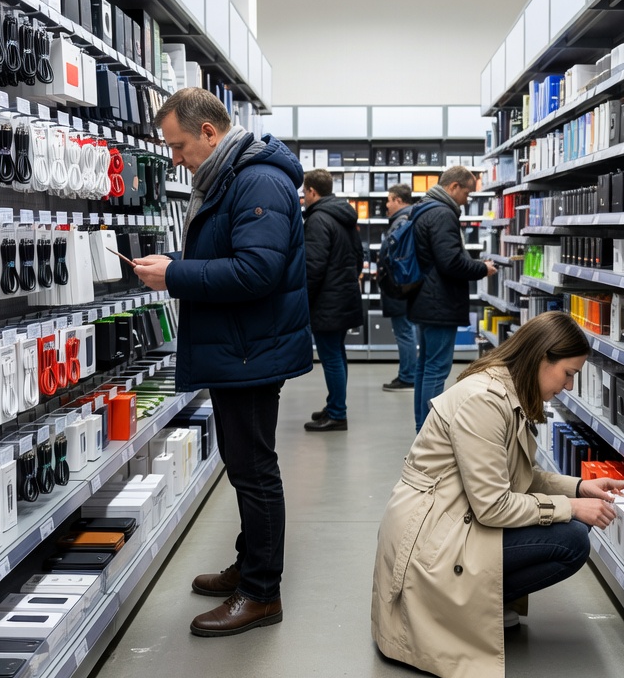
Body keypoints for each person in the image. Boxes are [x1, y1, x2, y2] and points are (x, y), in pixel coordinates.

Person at [133, 87, 312, 637]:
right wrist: (181, 265)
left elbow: (257, 271)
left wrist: (176, 274)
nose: (175, 159)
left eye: (180, 145)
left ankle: (261, 593)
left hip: (251, 349)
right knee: (242, 463)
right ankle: (249, 566)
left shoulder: (257, 180)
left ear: (209, 133)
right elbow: (234, 256)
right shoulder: (232, 175)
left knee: (254, 469)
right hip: (241, 344)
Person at [370, 311, 624, 678]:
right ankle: (464, 608)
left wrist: (578, 487)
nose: (570, 387)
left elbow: (515, 475)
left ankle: (481, 601)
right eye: (569, 373)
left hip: (449, 523)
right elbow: (494, 505)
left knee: (571, 527)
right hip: (431, 543)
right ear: (543, 357)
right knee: (571, 539)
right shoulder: (484, 402)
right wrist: (571, 507)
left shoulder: (507, 392)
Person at [407, 165, 496, 431]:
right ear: (454, 186)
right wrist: (482, 268)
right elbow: (450, 262)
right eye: (467, 193)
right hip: (439, 302)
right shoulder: (443, 214)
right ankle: (428, 431)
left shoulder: (423, 208)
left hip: (424, 298)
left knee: (425, 366)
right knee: (436, 369)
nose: (467, 201)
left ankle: (421, 426)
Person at [301, 168, 364, 432]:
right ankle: (335, 404)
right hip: (344, 296)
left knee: (331, 357)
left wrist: (304, 300)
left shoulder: (318, 220)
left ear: (313, 191)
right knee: (338, 353)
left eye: (304, 193)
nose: (303, 198)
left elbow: (312, 266)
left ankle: (338, 413)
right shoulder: (344, 217)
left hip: (327, 302)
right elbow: (359, 258)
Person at [379, 184, 416, 392]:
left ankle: (408, 376)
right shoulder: (407, 219)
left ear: (399, 201)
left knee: (404, 332)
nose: (387, 205)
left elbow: (395, 254)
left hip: (398, 285)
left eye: (389, 200)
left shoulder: (402, 221)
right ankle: (407, 373)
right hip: (401, 285)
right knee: (406, 331)